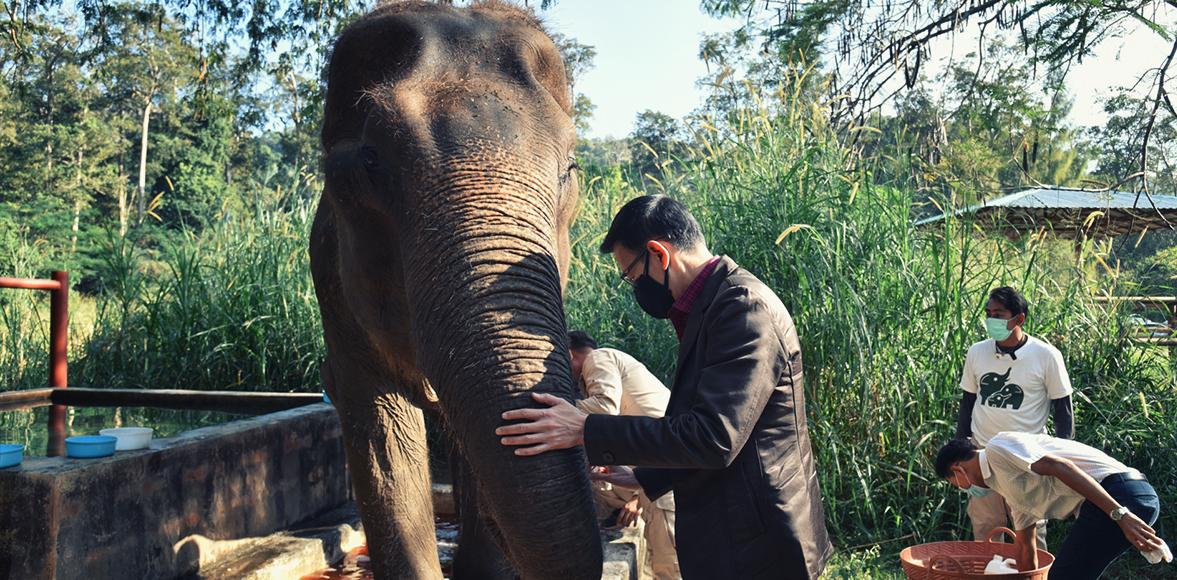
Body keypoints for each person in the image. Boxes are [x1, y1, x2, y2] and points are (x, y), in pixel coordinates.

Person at [496, 195, 832, 580]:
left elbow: (713, 435)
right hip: (740, 528)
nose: (635, 288)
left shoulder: (743, 309)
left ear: (659, 253)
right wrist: (646, 476)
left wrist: (584, 427)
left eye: (632, 276)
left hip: (761, 539)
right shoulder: (713, 306)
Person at [935, 434, 1169, 579]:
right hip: (1128, 498)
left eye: (956, 485)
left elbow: (1059, 466)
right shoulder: (1010, 490)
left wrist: (1120, 514)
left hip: (1118, 495)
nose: (963, 490)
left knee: (1064, 577)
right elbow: (1026, 550)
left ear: (957, 470)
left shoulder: (997, 448)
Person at [955, 286, 1075, 545]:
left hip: (1025, 458)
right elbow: (968, 404)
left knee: (1030, 529)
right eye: (988, 314)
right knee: (986, 525)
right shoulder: (977, 352)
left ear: (1018, 319)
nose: (991, 321)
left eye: (998, 314)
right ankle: (990, 573)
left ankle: (1031, 574)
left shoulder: (1046, 356)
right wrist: (962, 450)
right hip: (982, 453)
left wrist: (1061, 457)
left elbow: (1063, 410)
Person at [568, 330, 680, 580]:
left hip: (665, 478)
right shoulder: (604, 369)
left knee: (671, 567)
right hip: (658, 473)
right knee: (663, 565)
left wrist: (557, 407)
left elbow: (605, 408)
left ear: (569, 354)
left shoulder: (597, 358)